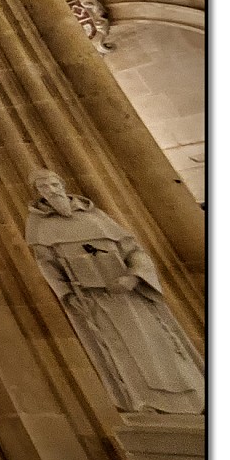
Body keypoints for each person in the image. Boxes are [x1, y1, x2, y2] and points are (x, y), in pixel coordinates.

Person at [25, 169, 203, 414]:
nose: (51, 190)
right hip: (94, 299)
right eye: (44, 187)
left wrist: (134, 276)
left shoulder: (95, 216)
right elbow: (47, 265)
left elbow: (134, 250)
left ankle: (191, 395)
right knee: (122, 352)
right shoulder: (38, 226)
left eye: (54, 184)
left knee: (159, 343)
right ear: (38, 194)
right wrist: (66, 293)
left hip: (129, 293)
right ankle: (144, 400)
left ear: (63, 185)